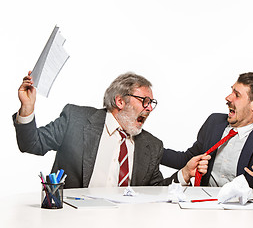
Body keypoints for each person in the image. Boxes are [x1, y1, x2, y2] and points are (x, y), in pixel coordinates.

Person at [13, 71, 209, 188]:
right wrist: (27, 108)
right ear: (120, 101)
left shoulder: (152, 146)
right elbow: (31, 144)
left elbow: (156, 193)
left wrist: (183, 174)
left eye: (152, 103)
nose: (149, 108)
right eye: (145, 101)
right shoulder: (76, 120)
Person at [161, 72, 253, 189]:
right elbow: (188, 159)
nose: (228, 98)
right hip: (204, 206)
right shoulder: (214, 123)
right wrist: (147, 148)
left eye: (237, 95)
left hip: (242, 213)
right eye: (231, 91)